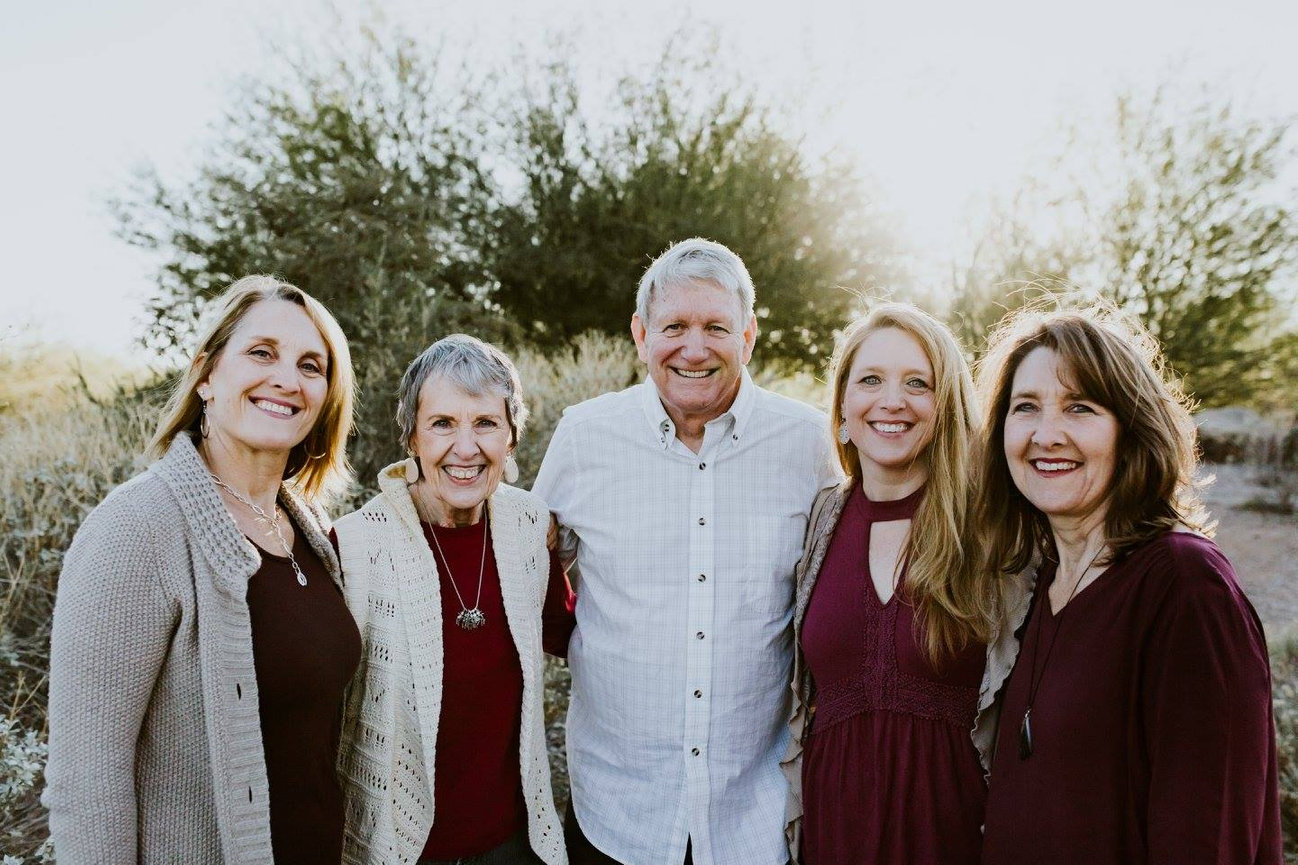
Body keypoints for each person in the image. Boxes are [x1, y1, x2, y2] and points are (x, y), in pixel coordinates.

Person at [532, 238, 837, 865]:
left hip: (753, 817)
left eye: (715, 328)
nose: (693, 349)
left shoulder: (807, 444)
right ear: (642, 335)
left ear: (748, 337)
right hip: (616, 814)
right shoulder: (585, 436)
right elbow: (524, 570)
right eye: (674, 326)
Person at [43, 275, 359, 863]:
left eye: (311, 365)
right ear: (207, 375)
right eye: (261, 353)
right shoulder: (137, 528)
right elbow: (87, 778)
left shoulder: (309, 527)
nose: (287, 379)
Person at [972, 305, 1282, 864]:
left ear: (1129, 429)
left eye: (1079, 407)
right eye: (1026, 408)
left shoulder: (1187, 588)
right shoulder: (1034, 587)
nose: (1047, 434)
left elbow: (1211, 838)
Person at [335, 334, 574, 865]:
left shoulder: (530, 527)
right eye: (442, 423)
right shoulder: (355, 548)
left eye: (485, 424)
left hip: (515, 843)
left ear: (511, 439)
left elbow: (576, 635)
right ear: (411, 437)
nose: (465, 448)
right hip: (399, 849)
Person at [780, 303, 998, 864]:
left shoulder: (990, 524)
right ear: (843, 410)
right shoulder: (819, 520)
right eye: (870, 380)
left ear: (944, 405)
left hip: (954, 832)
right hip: (834, 831)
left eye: (917, 383)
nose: (891, 400)